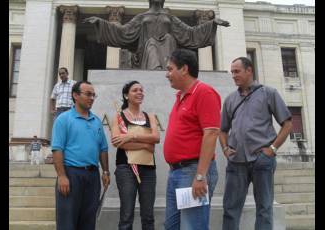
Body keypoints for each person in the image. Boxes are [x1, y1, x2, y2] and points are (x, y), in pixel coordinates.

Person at [220, 57, 293, 230]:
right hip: (236, 162)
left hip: (262, 160)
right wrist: (225, 148)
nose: (233, 75)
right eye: (232, 72)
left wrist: (272, 149)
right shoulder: (230, 99)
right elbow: (222, 130)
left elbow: (288, 124)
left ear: (249, 70)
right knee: (230, 209)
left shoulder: (269, 93)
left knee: (264, 209)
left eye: (237, 71)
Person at [163, 49, 221, 229]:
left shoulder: (204, 93)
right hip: (176, 172)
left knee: (192, 226)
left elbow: (211, 134)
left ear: (184, 69)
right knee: (171, 226)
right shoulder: (180, 96)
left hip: (193, 171)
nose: (167, 74)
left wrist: (200, 175)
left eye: (170, 69)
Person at [83, 0, 229, 70]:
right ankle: (158, 70)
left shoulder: (170, 17)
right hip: (147, 51)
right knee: (152, 43)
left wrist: (212, 23)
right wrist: (100, 22)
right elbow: (123, 31)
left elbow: (189, 33)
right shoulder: (142, 17)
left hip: (168, 49)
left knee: (169, 38)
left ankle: (168, 67)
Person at [51, 80, 110, 230]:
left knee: (89, 221)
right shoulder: (63, 119)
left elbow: (103, 148)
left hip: (93, 176)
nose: (91, 98)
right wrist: (62, 176)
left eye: (93, 95)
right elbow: (57, 149)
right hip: (71, 175)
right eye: (88, 94)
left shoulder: (96, 121)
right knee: (67, 222)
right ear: (75, 95)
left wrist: (105, 171)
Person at [110, 80, 160, 230]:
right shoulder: (118, 117)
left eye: (141, 90)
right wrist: (145, 144)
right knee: (126, 216)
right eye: (135, 90)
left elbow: (156, 138)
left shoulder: (150, 116)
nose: (140, 92)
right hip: (126, 168)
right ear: (126, 95)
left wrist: (131, 137)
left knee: (148, 215)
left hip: (148, 170)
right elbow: (118, 142)